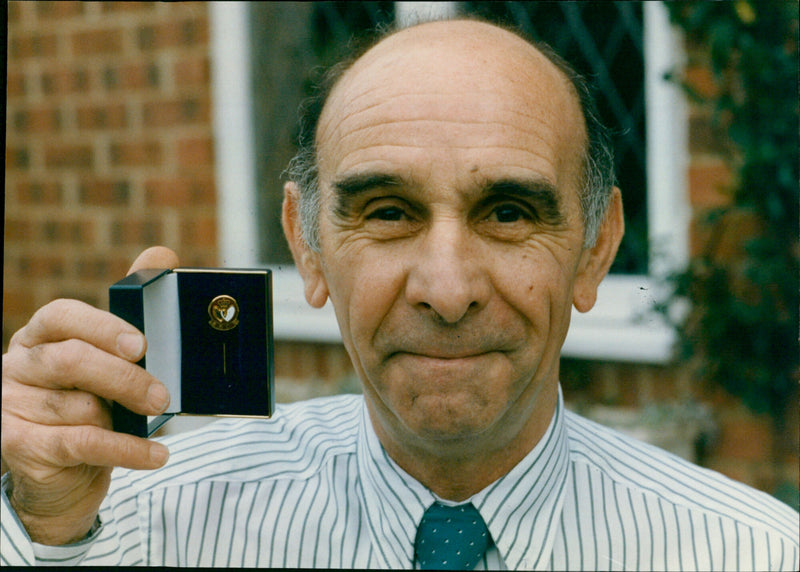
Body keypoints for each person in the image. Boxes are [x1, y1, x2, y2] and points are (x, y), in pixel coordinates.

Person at [2, 18, 797, 570]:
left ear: (595, 247)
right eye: (387, 212)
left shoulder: (753, 554)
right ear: (307, 243)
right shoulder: (132, 521)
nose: (447, 292)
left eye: (509, 213)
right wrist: (51, 528)